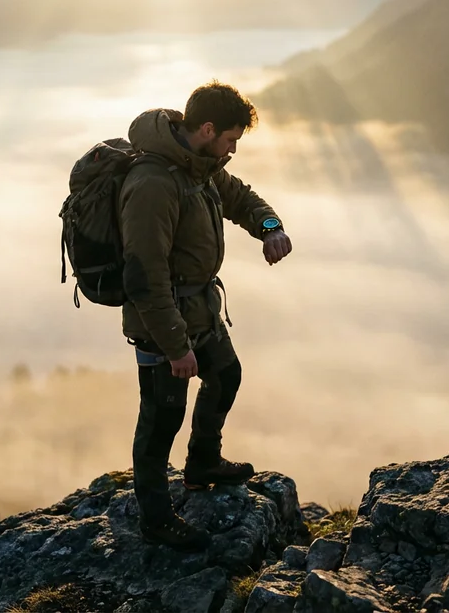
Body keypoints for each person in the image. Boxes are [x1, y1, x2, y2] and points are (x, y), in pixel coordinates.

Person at [118, 81, 293, 551]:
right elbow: (144, 275)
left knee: (226, 375)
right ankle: (156, 520)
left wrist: (271, 229)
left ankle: (202, 465)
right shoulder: (154, 183)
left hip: (201, 312)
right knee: (160, 421)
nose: (233, 149)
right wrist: (175, 346)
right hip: (162, 323)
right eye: (232, 139)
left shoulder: (201, 168)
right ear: (208, 129)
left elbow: (244, 200)